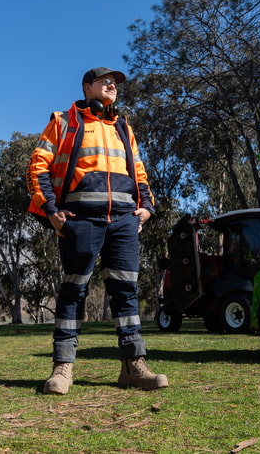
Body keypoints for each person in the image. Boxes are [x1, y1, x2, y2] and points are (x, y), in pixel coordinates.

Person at [27, 66, 167, 395]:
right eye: (105, 81)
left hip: (123, 221)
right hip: (79, 219)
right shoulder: (64, 121)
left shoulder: (122, 126)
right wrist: (51, 211)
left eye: (115, 83)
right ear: (87, 87)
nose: (112, 86)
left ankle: (134, 367)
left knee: (125, 292)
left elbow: (138, 170)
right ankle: (62, 368)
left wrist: (146, 208)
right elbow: (38, 165)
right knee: (74, 291)